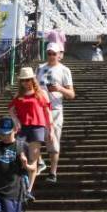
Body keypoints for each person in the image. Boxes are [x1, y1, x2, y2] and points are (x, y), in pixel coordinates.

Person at [8, 67, 51, 201]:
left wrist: (51, 130)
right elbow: (11, 109)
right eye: (23, 80)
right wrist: (15, 120)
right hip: (23, 128)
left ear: (33, 79)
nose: (26, 82)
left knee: (33, 158)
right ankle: (22, 182)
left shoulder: (41, 93)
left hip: (37, 127)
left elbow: (47, 111)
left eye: (28, 80)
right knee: (20, 157)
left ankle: (28, 190)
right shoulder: (18, 96)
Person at [35, 43, 74, 183]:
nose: (51, 56)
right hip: (39, 108)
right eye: (49, 53)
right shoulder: (40, 68)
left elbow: (71, 94)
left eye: (54, 53)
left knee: (53, 139)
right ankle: (39, 162)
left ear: (59, 54)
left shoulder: (64, 70)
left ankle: (53, 171)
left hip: (55, 108)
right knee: (33, 136)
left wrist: (59, 89)